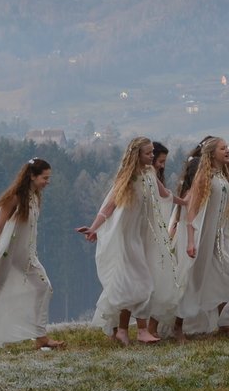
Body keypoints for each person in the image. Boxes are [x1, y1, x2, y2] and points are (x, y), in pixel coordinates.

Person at [78, 137, 185, 345]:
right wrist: (94, 228)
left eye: (153, 152)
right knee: (142, 282)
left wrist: (186, 203)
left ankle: (124, 330)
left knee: (135, 284)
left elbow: (165, 194)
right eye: (148, 153)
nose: (152, 156)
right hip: (128, 237)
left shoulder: (150, 173)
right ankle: (141, 330)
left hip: (144, 235)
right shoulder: (128, 178)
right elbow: (109, 206)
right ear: (137, 155)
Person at [0, 157, 65, 356]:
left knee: (43, 287)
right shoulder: (14, 198)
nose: (48, 182)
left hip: (26, 257)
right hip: (6, 255)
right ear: (32, 176)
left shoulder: (35, 197)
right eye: (45, 178)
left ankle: (40, 336)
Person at [172, 137, 229, 339]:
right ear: (212, 153)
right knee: (194, 280)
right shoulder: (205, 177)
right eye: (222, 148)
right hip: (205, 237)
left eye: (227, 147)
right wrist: (191, 240)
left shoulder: (224, 176)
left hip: (222, 237)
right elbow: (192, 210)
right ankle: (177, 325)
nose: (227, 150)